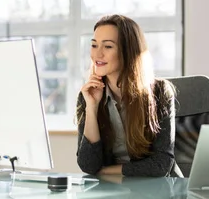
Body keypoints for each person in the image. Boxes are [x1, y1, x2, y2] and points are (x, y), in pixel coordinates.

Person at [75, 14, 181, 177]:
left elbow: (161, 164)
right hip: (112, 189)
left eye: (108, 46)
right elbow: (88, 165)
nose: (97, 54)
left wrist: (106, 171)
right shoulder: (87, 95)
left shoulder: (159, 91)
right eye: (94, 45)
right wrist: (92, 107)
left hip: (154, 189)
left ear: (128, 51)